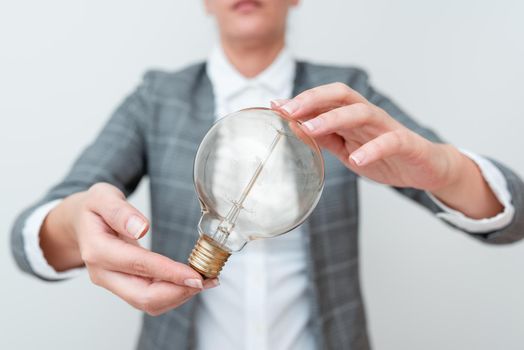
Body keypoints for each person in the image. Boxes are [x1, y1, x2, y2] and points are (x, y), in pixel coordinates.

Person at [10, 1, 524, 349]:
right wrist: (73, 222)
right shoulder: (156, 99)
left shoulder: (346, 97)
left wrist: (446, 169)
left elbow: (515, 217)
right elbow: (26, 240)